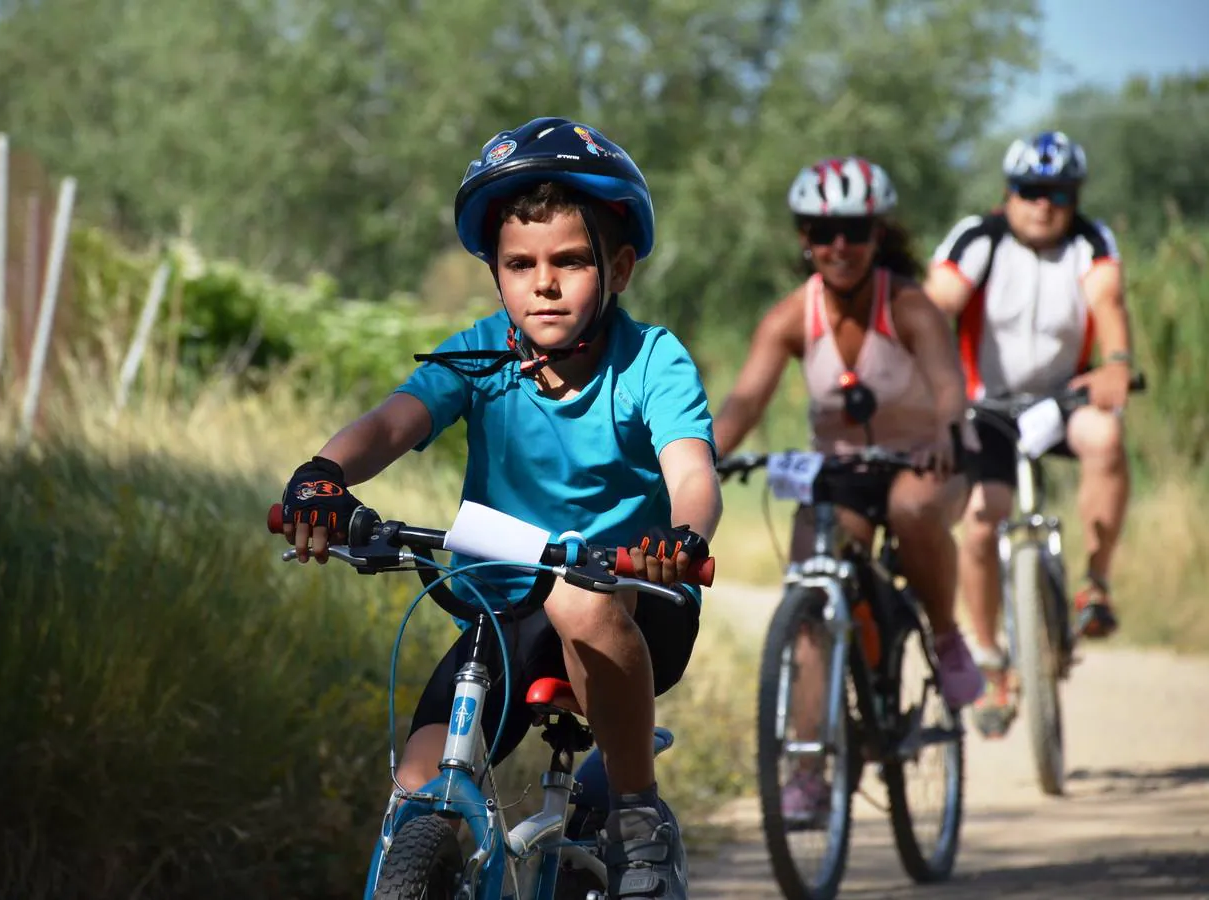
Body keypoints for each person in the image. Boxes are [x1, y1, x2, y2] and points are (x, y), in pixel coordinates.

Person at [279, 117, 720, 898]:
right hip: (508, 606)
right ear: (496, 275)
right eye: (519, 264)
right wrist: (322, 478)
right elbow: (391, 423)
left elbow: (691, 472)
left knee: (582, 604)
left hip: (633, 599)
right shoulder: (482, 354)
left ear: (618, 269)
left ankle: (637, 814)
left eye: (571, 261)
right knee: (417, 787)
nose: (542, 283)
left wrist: (681, 538)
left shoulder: (652, 359)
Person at [712, 156, 984, 824]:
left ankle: (946, 636)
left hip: (929, 460)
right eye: (822, 230)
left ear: (877, 233)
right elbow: (744, 402)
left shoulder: (910, 304)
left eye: (855, 230)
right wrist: (701, 460)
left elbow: (950, 383)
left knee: (912, 507)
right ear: (805, 235)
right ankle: (807, 770)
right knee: (811, 586)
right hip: (841, 475)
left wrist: (949, 430)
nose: (838, 246)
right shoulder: (790, 316)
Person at [922, 131, 1132, 738]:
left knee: (1106, 439)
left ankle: (1094, 584)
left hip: (1065, 398)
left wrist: (1116, 361)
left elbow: (1109, 301)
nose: (1044, 204)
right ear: (1008, 193)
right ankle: (991, 660)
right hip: (986, 405)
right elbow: (938, 304)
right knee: (985, 517)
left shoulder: (1089, 241)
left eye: (1059, 193)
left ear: (1075, 197)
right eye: (1031, 191)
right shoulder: (980, 237)